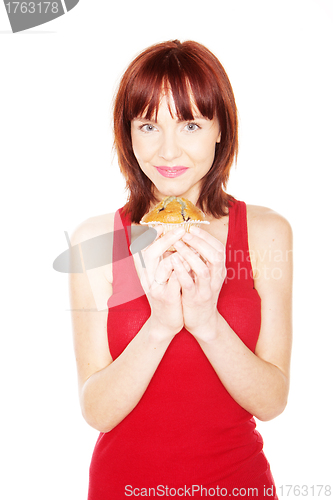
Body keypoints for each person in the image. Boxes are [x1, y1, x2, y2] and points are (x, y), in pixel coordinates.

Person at [69, 40, 292, 499]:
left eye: (190, 123)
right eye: (149, 125)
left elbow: (272, 401)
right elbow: (97, 411)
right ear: (127, 133)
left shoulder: (267, 233)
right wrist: (161, 325)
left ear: (219, 129)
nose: (168, 150)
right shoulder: (94, 242)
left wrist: (207, 322)